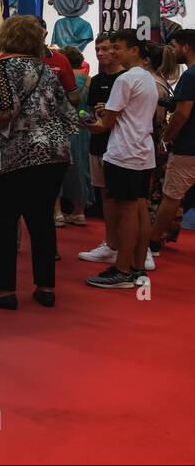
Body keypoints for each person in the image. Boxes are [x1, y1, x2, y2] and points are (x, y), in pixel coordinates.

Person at [0, 15, 77, 309]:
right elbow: (69, 111)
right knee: (42, 220)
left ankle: (3, 289)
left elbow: (6, 112)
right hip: (55, 152)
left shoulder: (1, 68)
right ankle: (45, 286)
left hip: (15, 152)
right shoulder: (46, 69)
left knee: (3, 219)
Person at [86, 28, 159, 289]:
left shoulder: (126, 79)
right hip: (142, 151)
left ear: (134, 50)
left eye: (117, 47)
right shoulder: (147, 77)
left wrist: (84, 123)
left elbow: (105, 125)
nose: (112, 52)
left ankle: (123, 269)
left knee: (128, 211)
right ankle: (137, 267)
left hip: (124, 151)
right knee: (139, 209)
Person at [78, 32, 128, 263]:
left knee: (127, 201)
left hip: (123, 148)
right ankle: (111, 244)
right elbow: (91, 114)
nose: (102, 53)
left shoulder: (128, 78)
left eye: (107, 48)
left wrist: (111, 110)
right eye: (99, 49)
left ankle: (134, 248)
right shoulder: (96, 80)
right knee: (105, 197)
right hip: (98, 144)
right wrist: (87, 119)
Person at [153, 30, 195, 245]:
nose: (173, 50)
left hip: (188, 146)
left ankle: (153, 242)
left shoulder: (190, 75)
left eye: (175, 45)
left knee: (171, 196)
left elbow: (182, 113)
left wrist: (166, 137)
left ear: (186, 47)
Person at [139, 43, 174, 255]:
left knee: (152, 192)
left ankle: (150, 237)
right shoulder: (160, 81)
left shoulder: (154, 83)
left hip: (154, 143)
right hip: (159, 143)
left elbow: (158, 118)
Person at [57, 45, 93, 227]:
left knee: (57, 171)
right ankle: (79, 212)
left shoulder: (62, 79)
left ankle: (57, 213)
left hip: (63, 128)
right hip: (85, 131)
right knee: (83, 170)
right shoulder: (90, 81)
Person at [38, 17, 82, 105]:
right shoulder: (11, 58)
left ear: (45, 34)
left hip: (52, 115)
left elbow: (73, 96)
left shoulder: (60, 59)